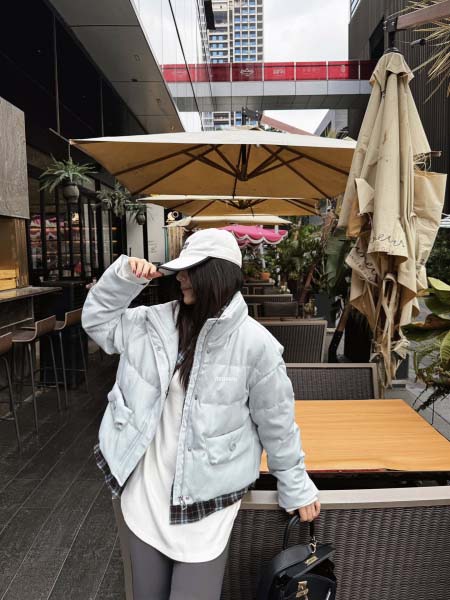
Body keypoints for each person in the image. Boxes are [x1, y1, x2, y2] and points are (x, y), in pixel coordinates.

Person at [82, 228, 320, 600]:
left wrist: (295, 484)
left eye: (190, 269)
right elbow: (98, 324)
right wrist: (123, 278)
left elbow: (276, 423)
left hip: (206, 507)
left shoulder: (255, 345)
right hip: (147, 495)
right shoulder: (154, 323)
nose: (180, 276)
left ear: (216, 275)